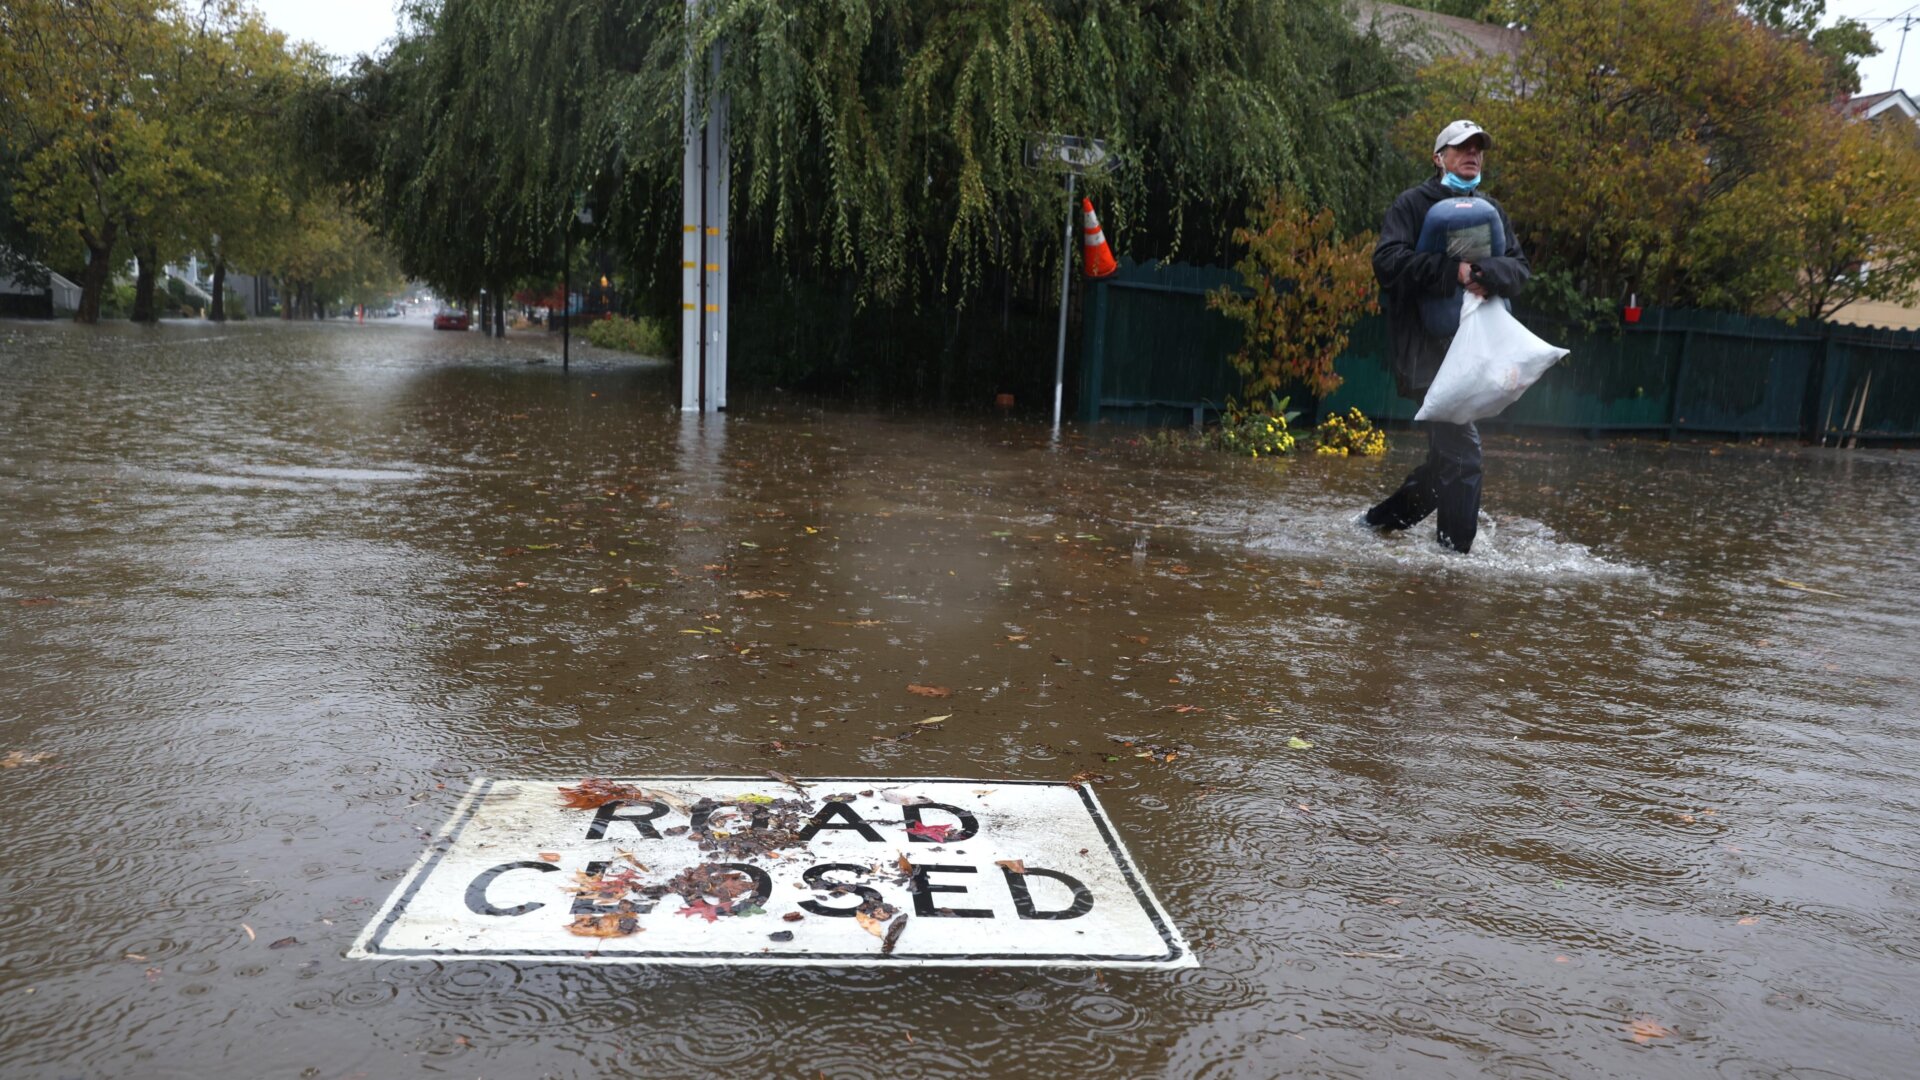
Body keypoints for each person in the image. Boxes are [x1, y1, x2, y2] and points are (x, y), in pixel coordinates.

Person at [1364, 119, 1530, 554]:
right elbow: (1387, 263)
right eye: (1461, 148)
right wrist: (1449, 271)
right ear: (1439, 158)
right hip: (1424, 355)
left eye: (1478, 148)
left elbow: (1519, 269)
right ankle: (1455, 560)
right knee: (1465, 456)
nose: (1472, 154)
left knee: (1445, 464)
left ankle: (1377, 523)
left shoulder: (1492, 211)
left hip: (1474, 354)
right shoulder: (1412, 204)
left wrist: (1485, 274)